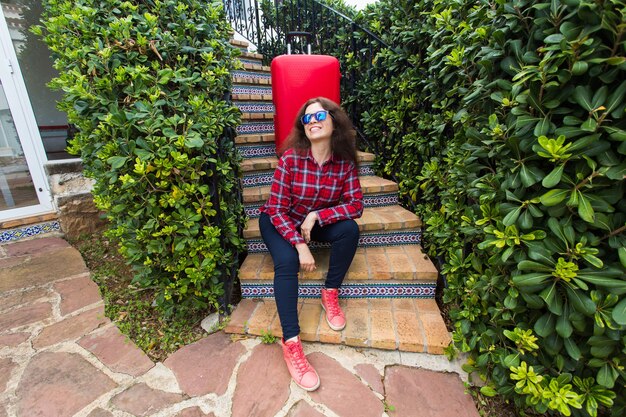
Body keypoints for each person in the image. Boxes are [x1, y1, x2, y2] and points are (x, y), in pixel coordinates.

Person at [259, 97, 363, 391]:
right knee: (288, 261)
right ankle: (291, 341)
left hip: (311, 223)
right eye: (306, 119)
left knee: (350, 230)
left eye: (318, 115)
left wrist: (318, 215)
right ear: (302, 128)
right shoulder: (291, 159)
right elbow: (277, 209)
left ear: (334, 120)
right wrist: (299, 244)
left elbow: (355, 205)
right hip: (278, 221)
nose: (312, 121)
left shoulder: (344, 164)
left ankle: (329, 292)